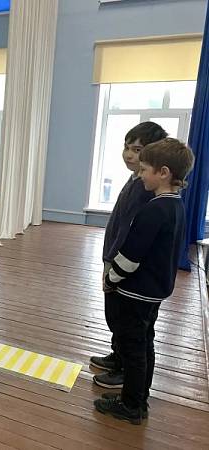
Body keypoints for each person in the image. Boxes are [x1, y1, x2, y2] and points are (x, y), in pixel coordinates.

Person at [94, 138, 194, 424]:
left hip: (135, 293)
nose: (140, 175)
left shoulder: (154, 209)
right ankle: (139, 399)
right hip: (154, 292)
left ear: (163, 173)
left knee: (133, 349)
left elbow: (132, 255)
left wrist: (112, 278)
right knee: (144, 344)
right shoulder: (176, 206)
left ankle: (131, 405)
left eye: (144, 170)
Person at [90, 122, 167, 390]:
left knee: (124, 320)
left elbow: (131, 233)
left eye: (137, 150)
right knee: (114, 315)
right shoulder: (135, 179)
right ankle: (118, 355)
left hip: (123, 265)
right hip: (113, 258)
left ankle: (125, 368)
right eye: (127, 147)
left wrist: (114, 267)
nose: (129, 155)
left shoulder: (146, 189)